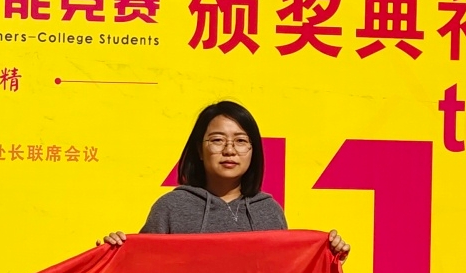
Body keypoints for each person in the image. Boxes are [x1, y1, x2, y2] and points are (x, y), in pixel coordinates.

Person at [101, 100, 349, 259]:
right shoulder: (171, 208)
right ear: (200, 150)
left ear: (252, 151)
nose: (229, 150)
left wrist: (328, 257)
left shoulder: (269, 212)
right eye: (217, 140)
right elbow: (140, 272)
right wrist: (113, 254)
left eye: (240, 141)